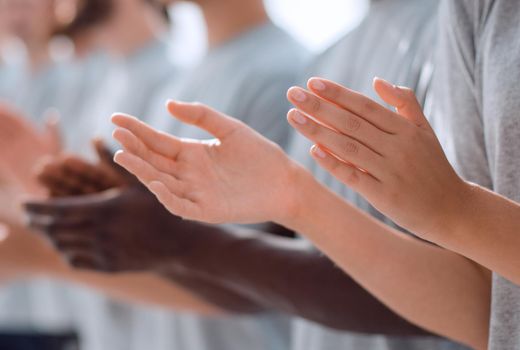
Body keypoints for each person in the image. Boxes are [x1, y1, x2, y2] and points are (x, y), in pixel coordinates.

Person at [28, 0, 467, 349]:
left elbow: (470, 297)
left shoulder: (445, 35)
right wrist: (132, 225)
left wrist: (176, 241)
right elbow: (281, 275)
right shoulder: (330, 57)